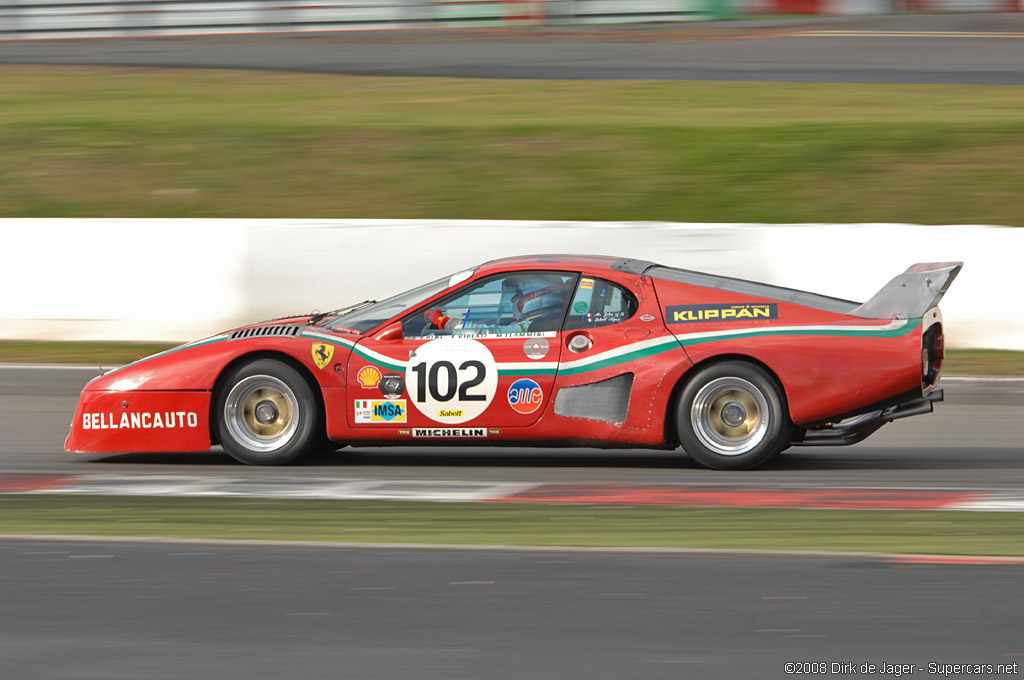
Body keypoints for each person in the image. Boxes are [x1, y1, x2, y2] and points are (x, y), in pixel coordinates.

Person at [424, 274, 570, 334]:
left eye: (518, 294)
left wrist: (442, 322)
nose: (513, 300)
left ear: (539, 295)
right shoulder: (542, 322)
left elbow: (487, 334)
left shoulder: (538, 327)